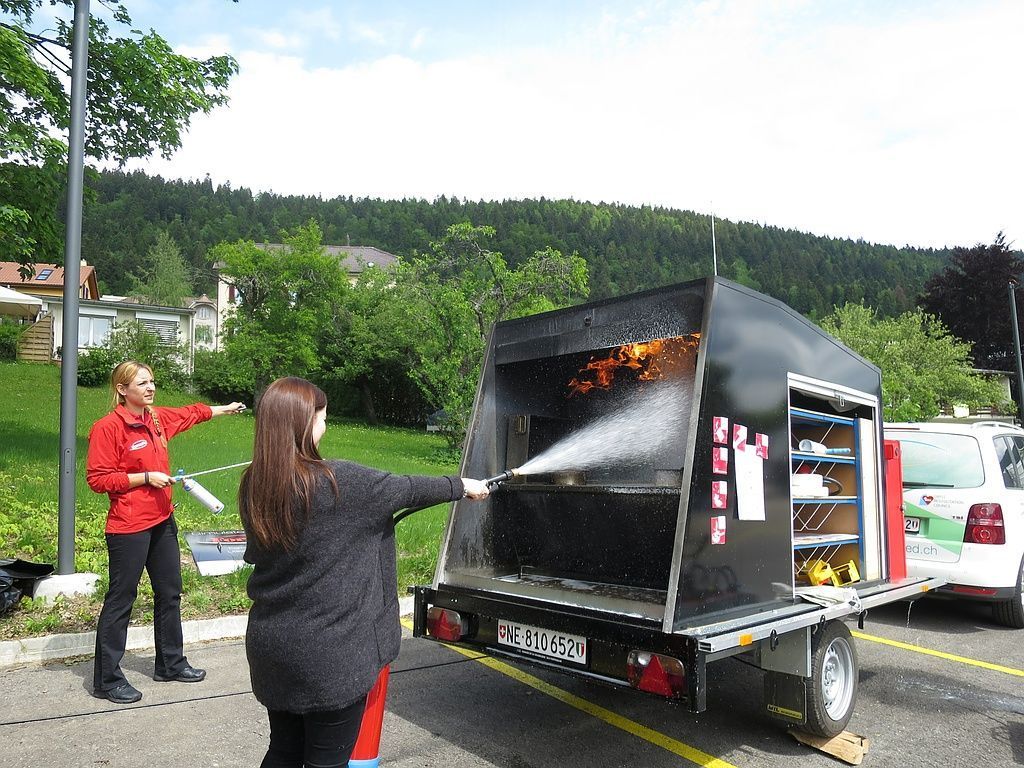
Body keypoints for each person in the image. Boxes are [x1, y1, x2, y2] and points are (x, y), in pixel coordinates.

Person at [239, 377, 490, 768]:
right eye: (322, 416)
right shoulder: (342, 483)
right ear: (304, 423)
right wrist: (463, 485)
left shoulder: (255, 483)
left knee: (284, 751)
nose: (325, 423)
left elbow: (258, 553)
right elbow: (408, 488)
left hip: (272, 647)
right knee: (327, 762)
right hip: (329, 657)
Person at [86, 360, 245, 704]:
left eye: (152, 382)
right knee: (121, 601)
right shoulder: (108, 428)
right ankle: (107, 680)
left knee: (170, 592)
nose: (150, 388)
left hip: (162, 521)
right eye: (142, 383)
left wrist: (226, 409)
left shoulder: (155, 418)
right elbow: (98, 479)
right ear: (122, 390)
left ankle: (170, 664)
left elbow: (191, 413)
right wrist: (144, 478)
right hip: (128, 527)